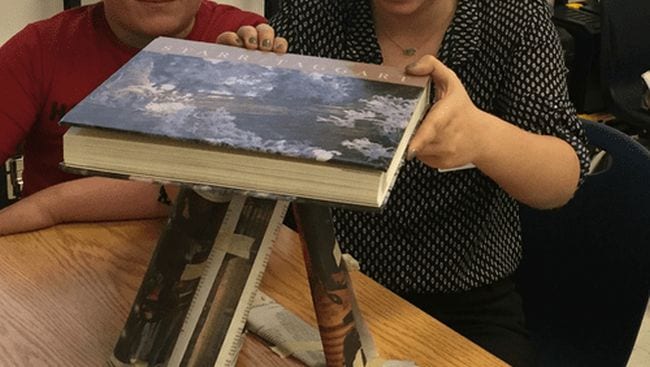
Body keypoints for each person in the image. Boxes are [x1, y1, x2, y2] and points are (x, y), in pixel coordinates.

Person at [268, 0, 590, 365]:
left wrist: (483, 138)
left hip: (466, 305)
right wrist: (242, 71)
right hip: (330, 286)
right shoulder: (314, 12)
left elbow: (562, 179)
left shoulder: (514, 16)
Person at [0, 0, 287, 236]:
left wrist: (52, 206)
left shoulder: (242, 42)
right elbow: (195, 185)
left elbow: (234, 186)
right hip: (51, 259)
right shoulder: (39, 47)